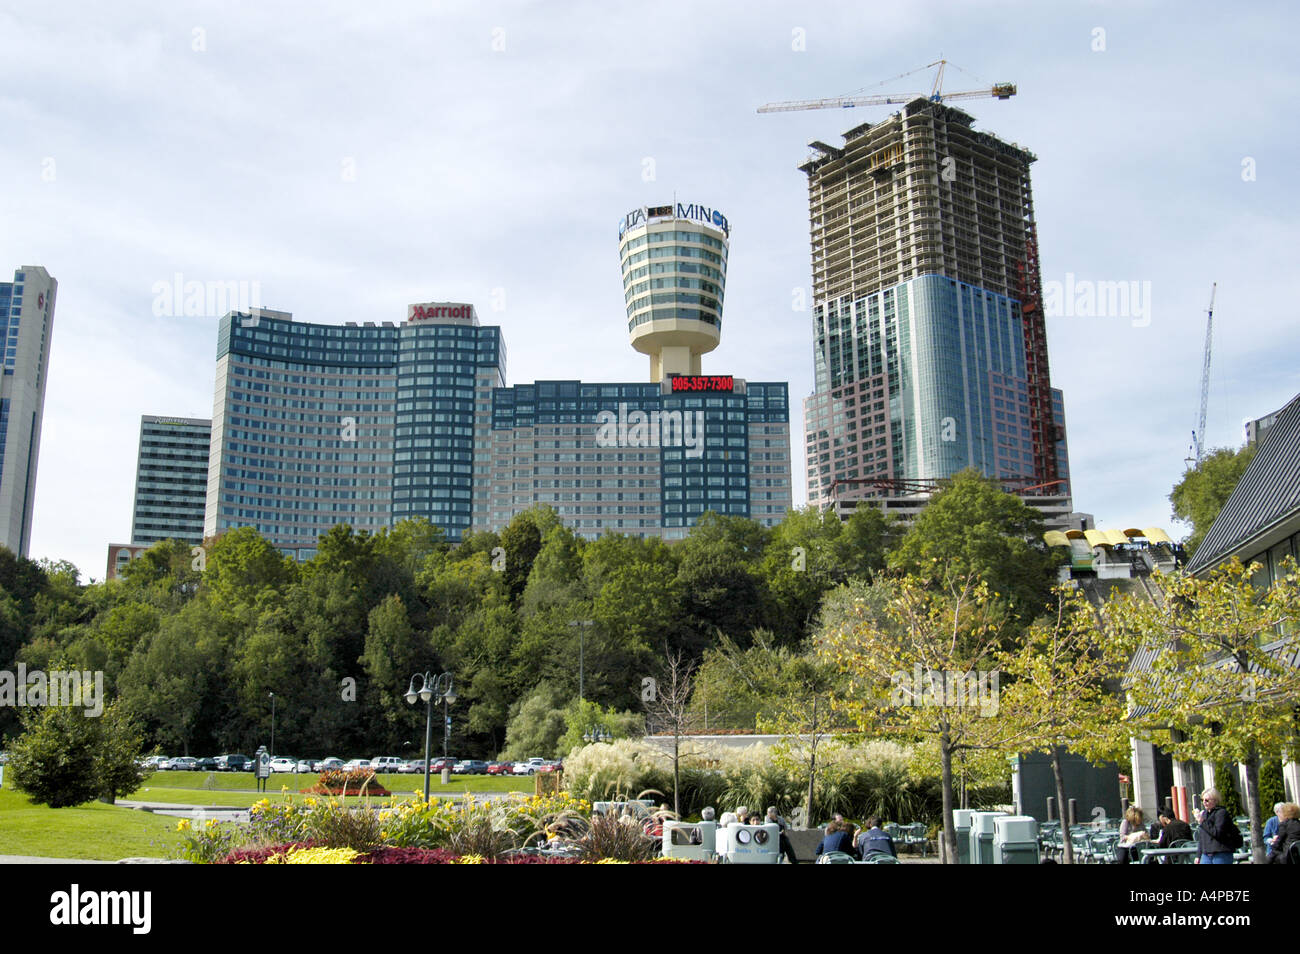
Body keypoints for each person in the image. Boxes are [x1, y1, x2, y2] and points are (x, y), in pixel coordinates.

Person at [1195, 789, 1239, 864]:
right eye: (1202, 800)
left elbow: (1217, 833)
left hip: (1221, 854)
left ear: (1215, 800)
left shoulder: (1221, 813)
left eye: (1207, 800)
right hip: (1206, 855)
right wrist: (1198, 855)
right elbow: (1202, 837)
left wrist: (1202, 821)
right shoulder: (1204, 814)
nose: (1204, 802)